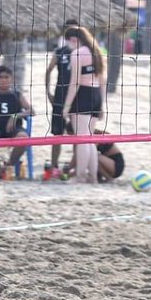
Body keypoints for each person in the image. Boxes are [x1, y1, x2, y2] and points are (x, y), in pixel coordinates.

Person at [62, 26, 107, 185]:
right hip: (95, 96)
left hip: (83, 95)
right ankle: (93, 177)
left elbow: (74, 82)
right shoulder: (97, 52)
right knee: (89, 139)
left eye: (68, 42)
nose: (68, 45)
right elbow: (103, 81)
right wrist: (102, 105)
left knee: (82, 138)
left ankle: (80, 176)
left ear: (73, 40)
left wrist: (66, 106)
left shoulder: (77, 53)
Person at [44, 18, 79, 168]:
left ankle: (73, 166)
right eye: (69, 30)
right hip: (60, 96)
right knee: (57, 134)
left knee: (78, 134)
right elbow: (48, 71)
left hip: (78, 97)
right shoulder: (59, 52)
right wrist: (48, 92)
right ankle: (54, 166)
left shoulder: (83, 52)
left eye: (75, 30)